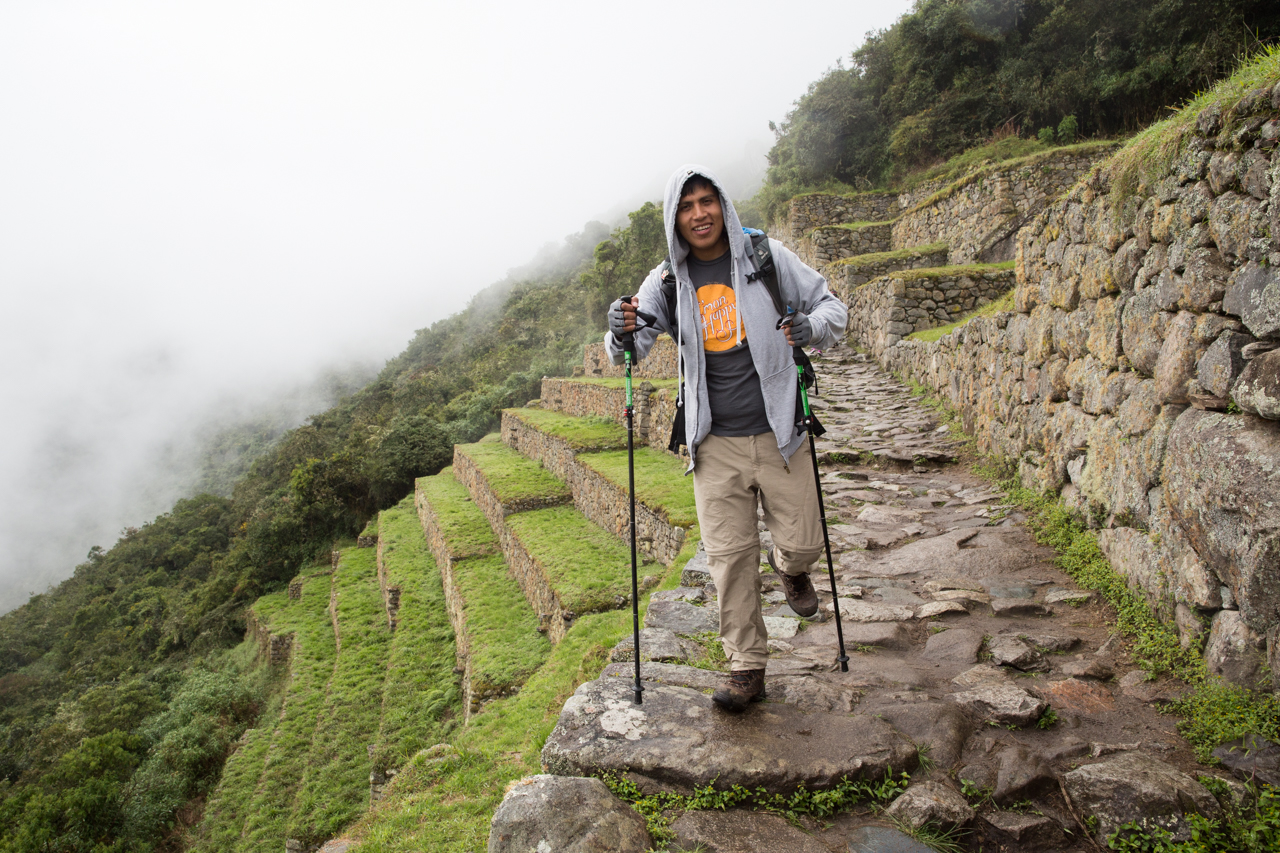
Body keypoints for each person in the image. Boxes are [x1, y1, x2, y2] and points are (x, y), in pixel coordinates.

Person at [605, 165, 848, 711]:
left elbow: (833, 307)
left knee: (805, 541)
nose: (698, 213)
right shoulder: (667, 281)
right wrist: (618, 331)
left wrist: (810, 328)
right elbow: (629, 346)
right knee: (730, 557)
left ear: (723, 204)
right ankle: (746, 665)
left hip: (781, 431)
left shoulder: (765, 258)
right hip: (714, 443)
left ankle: (792, 569)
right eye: (685, 205)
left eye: (706, 200)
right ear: (674, 218)